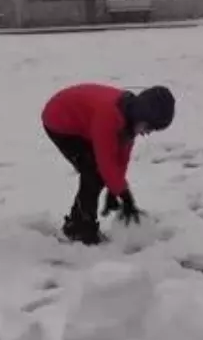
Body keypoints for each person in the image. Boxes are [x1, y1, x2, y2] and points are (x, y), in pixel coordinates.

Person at [41, 83, 176, 245]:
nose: (147, 133)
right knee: (93, 172)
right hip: (60, 119)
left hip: (84, 120)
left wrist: (114, 191)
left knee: (98, 173)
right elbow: (106, 163)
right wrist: (126, 198)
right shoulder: (109, 116)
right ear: (141, 115)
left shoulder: (129, 118)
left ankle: (78, 225)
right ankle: (79, 229)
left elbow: (120, 158)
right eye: (149, 127)